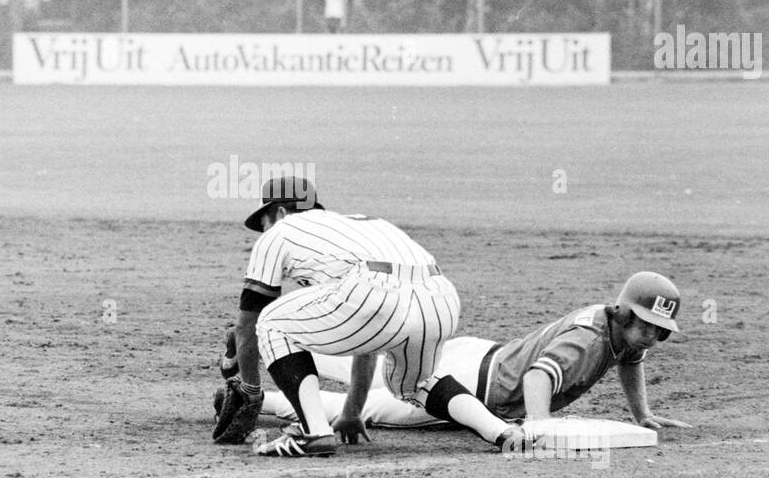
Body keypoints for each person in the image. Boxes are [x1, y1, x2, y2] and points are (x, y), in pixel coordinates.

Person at [217, 272, 692, 448]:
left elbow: (632, 360)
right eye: (647, 323)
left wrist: (643, 414)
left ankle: (265, 342)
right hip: (473, 386)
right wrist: (542, 428)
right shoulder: (589, 339)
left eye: (659, 329)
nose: (652, 334)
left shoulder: (620, 332)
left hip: (474, 353)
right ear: (625, 312)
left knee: (372, 361)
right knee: (369, 407)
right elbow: (538, 376)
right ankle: (267, 399)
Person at [213, 176, 460, 457]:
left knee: (273, 331)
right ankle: (502, 433)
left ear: (280, 213)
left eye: (264, 223)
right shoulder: (342, 244)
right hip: (433, 316)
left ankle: (310, 428)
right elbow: (364, 335)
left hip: (401, 336)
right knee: (409, 385)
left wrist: (251, 391)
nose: (263, 232)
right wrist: (353, 410)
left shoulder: (285, 238)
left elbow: (251, 325)